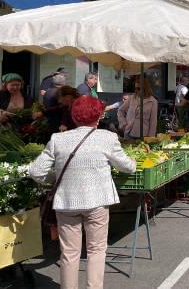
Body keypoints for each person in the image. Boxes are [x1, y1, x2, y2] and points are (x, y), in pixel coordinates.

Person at [29, 96, 136, 289]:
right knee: (96, 250)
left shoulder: (58, 139)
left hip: (67, 202)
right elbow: (127, 167)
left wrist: (54, 178)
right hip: (97, 201)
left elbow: (36, 172)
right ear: (98, 116)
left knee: (69, 253)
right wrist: (133, 164)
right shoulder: (107, 137)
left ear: (73, 116)